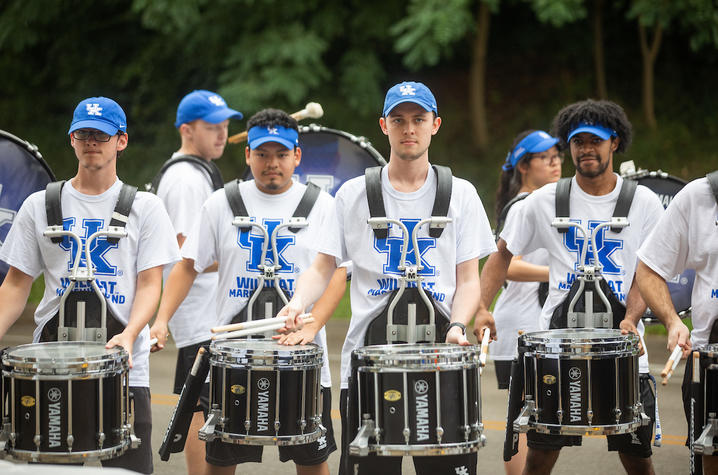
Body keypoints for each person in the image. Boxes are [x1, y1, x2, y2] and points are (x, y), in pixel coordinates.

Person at [278, 81, 496, 475]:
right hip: (367, 366)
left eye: (418, 119)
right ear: (384, 125)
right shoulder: (352, 194)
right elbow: (322, 268)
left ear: (435, 125)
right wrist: (298, 303)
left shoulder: (461, 194)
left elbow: (468, 280)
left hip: (441, 361)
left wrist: (459, 325)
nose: (408, 128)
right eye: (399, 120)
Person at [474, 99, 663, 475]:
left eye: (596, 140)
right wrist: (482, 306)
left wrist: (634, 316)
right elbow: (501, 256)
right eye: (578, 141)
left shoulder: (642, 202)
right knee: (540, 455)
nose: (586, 149)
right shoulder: (544, 201)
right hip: (557, 350)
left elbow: (649, 269)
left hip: (622, 347)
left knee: (637, 455)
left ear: (616, 142)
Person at [152, 108, 343, 475]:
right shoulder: (220, 203)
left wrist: (312, 326)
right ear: (248, 155)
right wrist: (161, 321)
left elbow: (337, 272)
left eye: (282, 154)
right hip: (232, 360)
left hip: (303, 357)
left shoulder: (322, 206)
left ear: (297, 156)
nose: (272, 163)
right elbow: (187, 265)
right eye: (262, 154)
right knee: (221, 462)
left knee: (312, 461)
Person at [0, 96, 180, 473]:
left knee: (129, 469)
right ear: (71, 139)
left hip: (126, 367)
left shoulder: (145, 207)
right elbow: (16, 286)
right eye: (83, 134)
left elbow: (150, 284)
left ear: (121, 141)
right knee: (53, 469)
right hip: (51, 366)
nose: (92, 142)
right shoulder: (40, 205)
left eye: (101, 135)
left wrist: (131, 334)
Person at [148, 89, 242, 475]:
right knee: (203, 409)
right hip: (199, 313)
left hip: (202, 313)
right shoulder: (186, 179)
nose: (222, 134)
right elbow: (189, 254)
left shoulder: (192, 170)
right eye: (211, 127)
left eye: (225, 126)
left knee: (201, 406)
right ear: (187, 130)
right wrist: (245, 257)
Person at [489, 130, 562, 475]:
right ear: (523, 165)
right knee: (523, 421)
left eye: (557, 156)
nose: (556, 163)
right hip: (518, 323)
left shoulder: (547, 204)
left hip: (538, 324)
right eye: (545, 157)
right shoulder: (522, 205)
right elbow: (511, 265)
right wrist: (559, 272)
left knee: (543, 420)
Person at [636, 171, 718, 475]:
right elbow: (649, 269)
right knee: (710, 458)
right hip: (710, 359)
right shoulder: (701, 196)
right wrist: (672, 321)